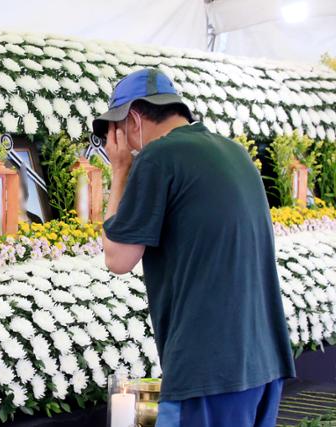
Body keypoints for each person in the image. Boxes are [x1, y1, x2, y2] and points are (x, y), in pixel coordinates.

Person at [93, 68, 295, 427]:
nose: (120, 142)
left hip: (209, 370)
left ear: (134, 118)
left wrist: (120, 170)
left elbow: (118, 257)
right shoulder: (233, 151)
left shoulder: (158, 157)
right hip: (263, 362)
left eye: (117, 130)